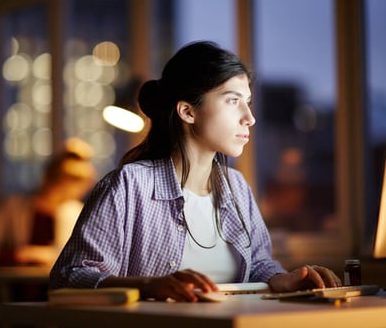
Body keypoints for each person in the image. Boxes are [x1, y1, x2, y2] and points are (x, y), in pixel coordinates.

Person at [49, 41, 342, 302]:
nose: (249, 118)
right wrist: (149, 287)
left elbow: (258, 263)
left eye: (248, 103)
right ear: (188, 111)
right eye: (232, 101)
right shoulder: (129, 185)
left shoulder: (236, 186)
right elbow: (69, 276)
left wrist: (283, 279)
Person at [0, 137, 97, 267]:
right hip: (15, 283)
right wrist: (23, 255)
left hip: (56, 285)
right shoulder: (12, 207)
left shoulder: (75, 213)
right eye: (63, 182)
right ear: (48, 177)